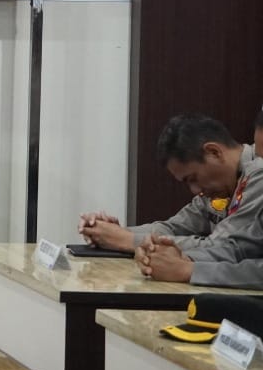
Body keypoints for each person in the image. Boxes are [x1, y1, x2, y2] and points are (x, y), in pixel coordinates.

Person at [76, 114, 263, 286]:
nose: (195, 190)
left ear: (214, 152)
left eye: (193, 178)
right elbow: (175, 227)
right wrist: (112, 233)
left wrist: (129, 240)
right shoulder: (220, 185)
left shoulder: (258, 174)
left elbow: (228, 246)